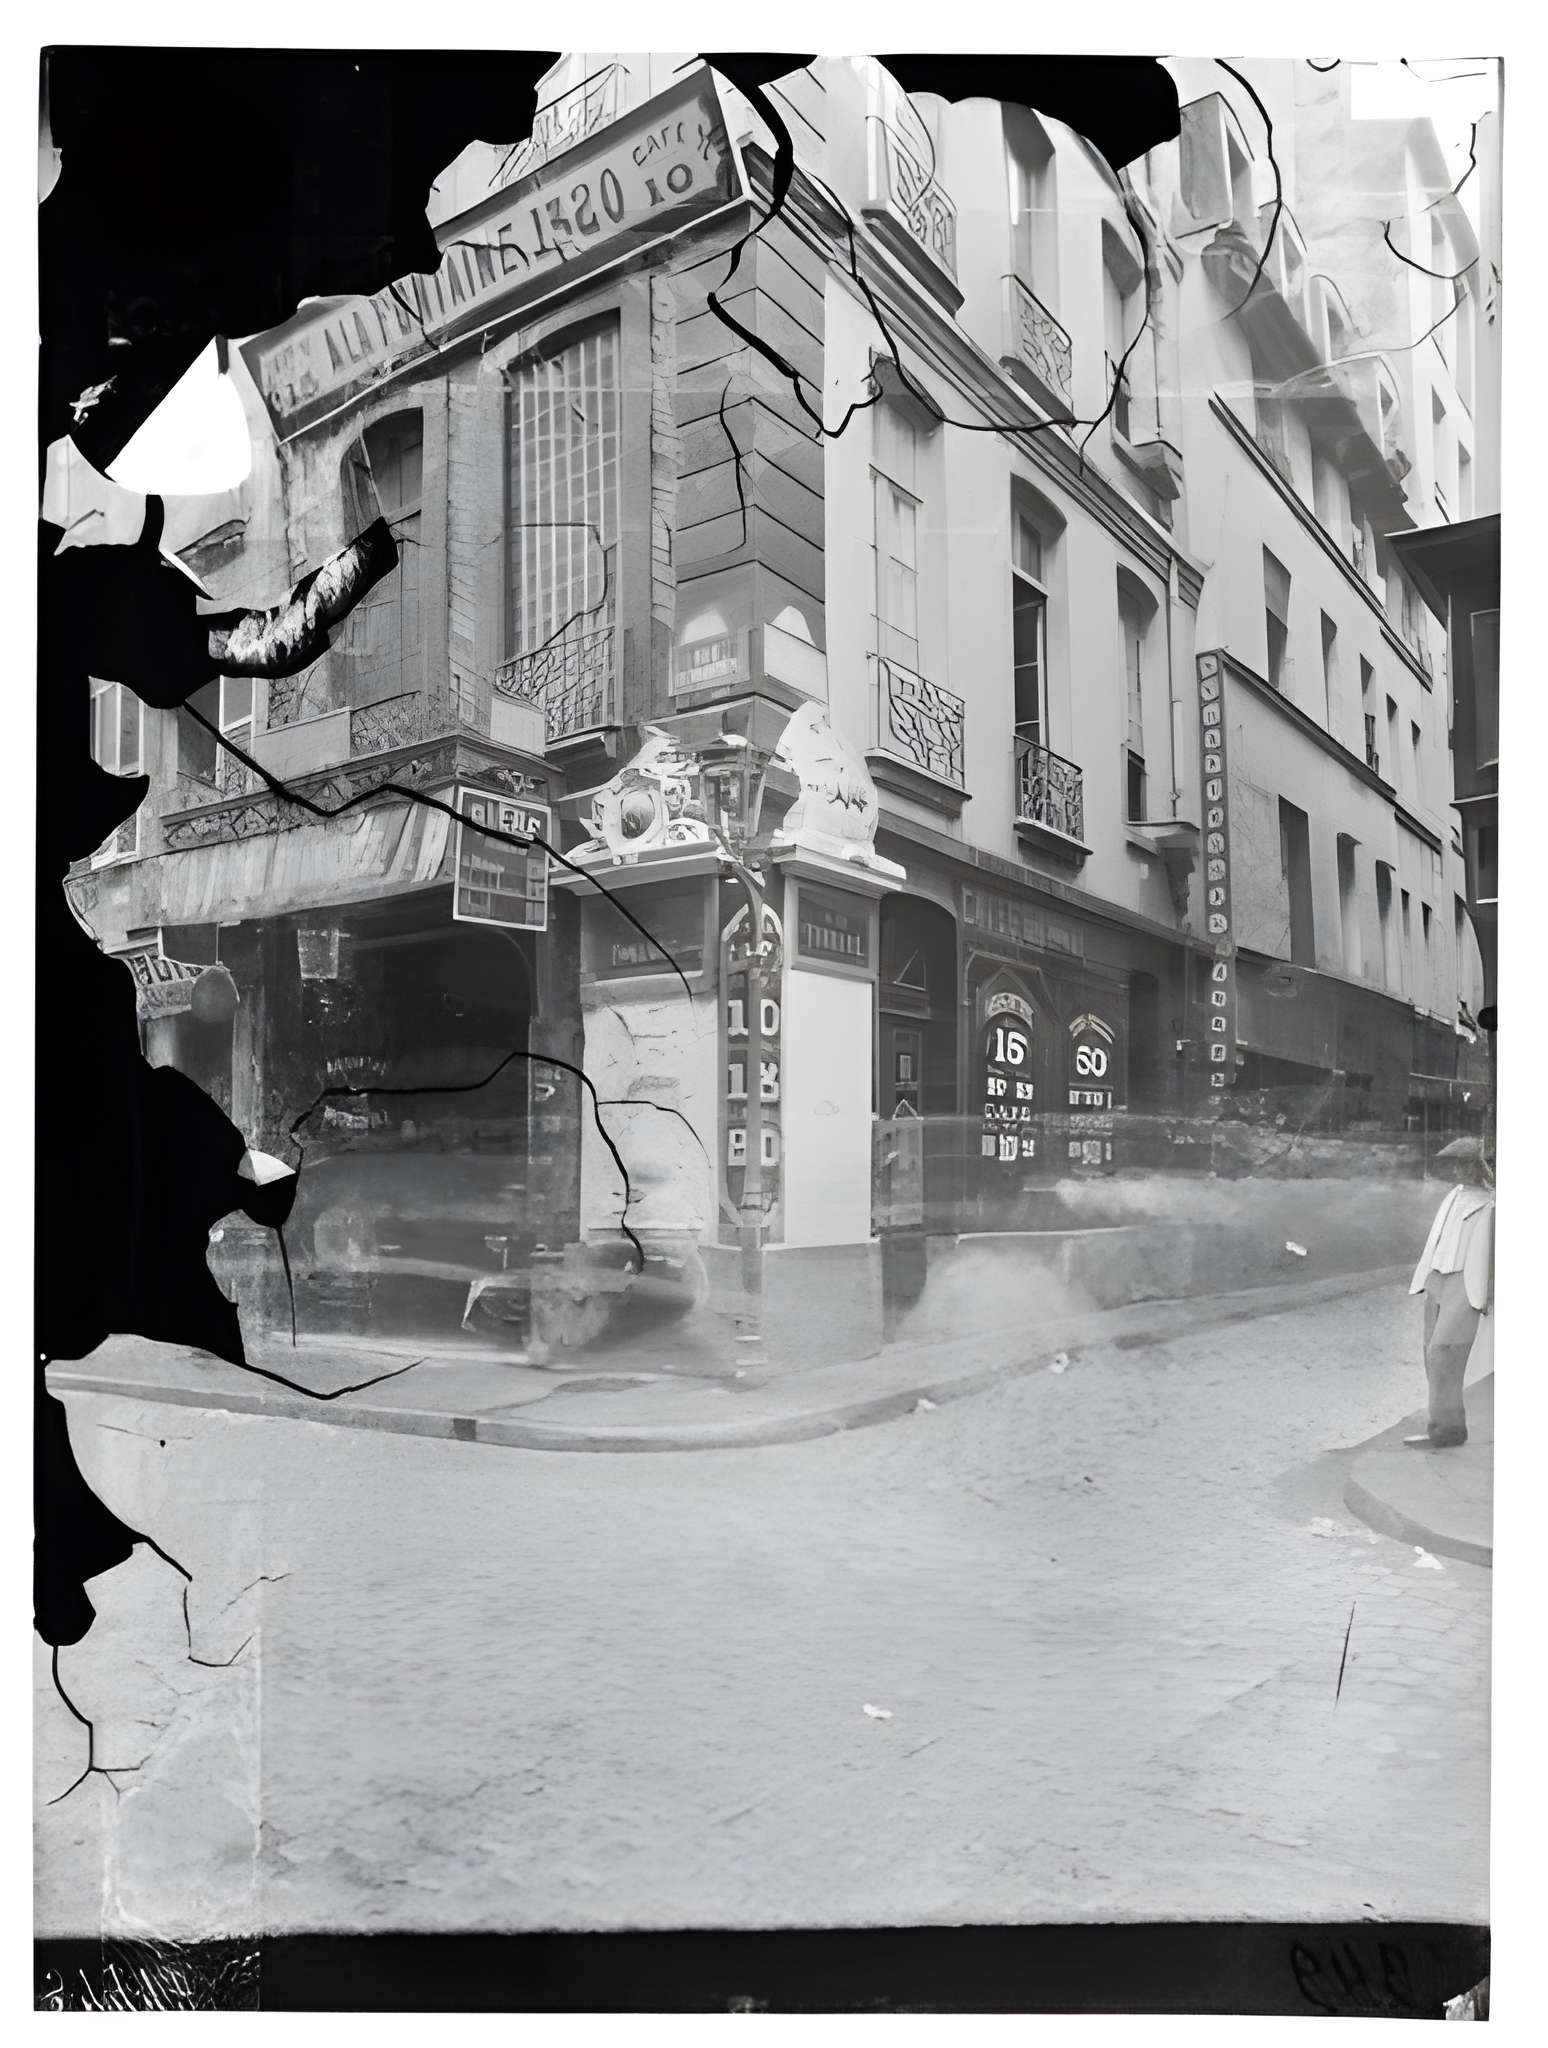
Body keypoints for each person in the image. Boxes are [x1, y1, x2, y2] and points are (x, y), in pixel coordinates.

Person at [1406, 1135, 1495, 1449]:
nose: (1456, 1169)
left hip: (1464, 1281)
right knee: (1429, 1351)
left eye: (1463, 1163)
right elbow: (1438, 1238)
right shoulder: (1453, 1197)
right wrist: (1427, 1276)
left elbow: (1492, 1256)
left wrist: (1488, 1294)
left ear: (1477, 1166)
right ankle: (1443, 1426)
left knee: (1444, 1352)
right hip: (1436, 1277)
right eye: (1453, 1163)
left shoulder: (1491, 1203)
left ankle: (1449, 1429)